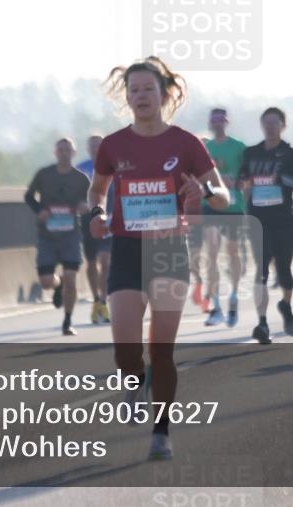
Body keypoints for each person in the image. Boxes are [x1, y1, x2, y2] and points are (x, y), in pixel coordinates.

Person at [87, 56, 229, 461]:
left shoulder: (186, 143)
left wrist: (202, 194)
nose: (140, 96)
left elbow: (222, 194)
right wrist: (96, 214)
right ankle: (133, 381)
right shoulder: (114, 145)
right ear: (126, 97)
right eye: (133, 90)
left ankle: (161, 431)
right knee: (125, 347)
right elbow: (97, 191)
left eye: (148, 89)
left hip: (169, 248)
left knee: (161, 349)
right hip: (128, 249)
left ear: (165, 94)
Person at [240, 107, 293, 343]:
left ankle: (286, 304)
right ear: (262, 126)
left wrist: (281, 180)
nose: (270, 127)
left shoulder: (290, 155)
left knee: (284, 271)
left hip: (283, 220)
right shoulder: (251, 153)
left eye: (275, 123)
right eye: (266, 123)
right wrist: (244, 183)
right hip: (258, 221)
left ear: (283, 125)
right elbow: (242, 180)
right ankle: (262, 323)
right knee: (261, 271)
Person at [25, 138, 92, 336]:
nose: (64, 153)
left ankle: (67, 321)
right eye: (60, 150)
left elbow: (90, 201)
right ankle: (57, 283)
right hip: (47, 235)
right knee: (45, 281)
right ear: (55, 153)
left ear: (74, 153)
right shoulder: (44, 174)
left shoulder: (81, 178)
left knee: (72, 280)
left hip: (70, 235)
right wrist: (39, 211)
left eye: (67, 150)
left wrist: (84, 207)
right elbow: (29, 196)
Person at [198, 108, 247, 327]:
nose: (217, 124)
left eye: (221, 120)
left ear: (227, 122)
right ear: (210, 123)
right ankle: (216, 306)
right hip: (210, 205)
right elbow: (196, 175)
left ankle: (234, 296)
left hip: (234, 206)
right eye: (214, 120)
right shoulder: (203, 148)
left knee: (233, 252)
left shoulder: (238, 147)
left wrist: (235, 181)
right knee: (212, 250)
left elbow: (249, 175)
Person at [76, 135, 112, 324]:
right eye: (92, 147)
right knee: (91, 264)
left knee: (105, 262)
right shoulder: (81, 168)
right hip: (87, 222)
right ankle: (96, 299)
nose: (96, 149)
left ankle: (104, 302)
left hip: (108, 220)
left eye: (99, 145)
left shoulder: (114, 165)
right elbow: (71, 194)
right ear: (87, 149)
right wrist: (79, 205)